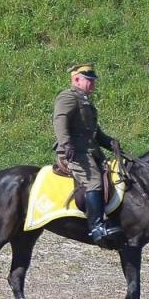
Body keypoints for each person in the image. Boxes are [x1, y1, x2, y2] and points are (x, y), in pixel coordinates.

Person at [53, 64, 123, 243]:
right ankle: (96, 226)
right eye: (89, 80)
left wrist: (110, 142)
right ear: (76, 79)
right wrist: (66, 143)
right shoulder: (68, 96)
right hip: (76, 152)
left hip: (91, 152)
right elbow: (60, 120)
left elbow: (94, 132)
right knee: (94, 181)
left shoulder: (85, 101)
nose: (93, 84)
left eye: (93, 81)